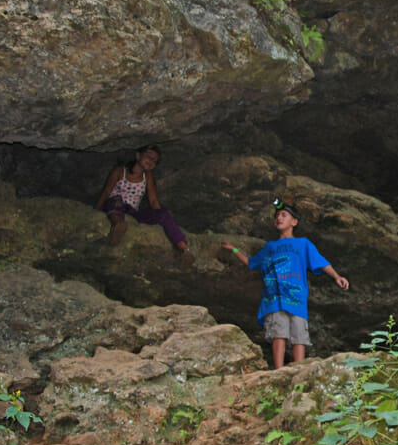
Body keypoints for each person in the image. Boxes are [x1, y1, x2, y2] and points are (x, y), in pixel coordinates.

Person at [222, 201, 349, 369]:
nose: (279, 218)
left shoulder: (303, 244)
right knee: (278, 333)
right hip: (274, 297)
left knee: (299, 335)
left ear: (294, 222)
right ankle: (279, 371)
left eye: (284, 215)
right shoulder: (270, 247)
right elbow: (251, 262)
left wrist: (336, 276)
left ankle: (299, 370)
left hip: (296, 296)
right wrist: (234, 249)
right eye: (277, 216)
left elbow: (320, 262)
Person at [95, 144, 195, 269]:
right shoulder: (120, 171)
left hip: (132, 212)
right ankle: (117, 226)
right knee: (116, 200)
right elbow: (106, 191)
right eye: (149, 157)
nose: (151, 161)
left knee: (163, 214)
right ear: (138, 155)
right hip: (114, 206)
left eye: (155, 161)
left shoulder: (147, 176)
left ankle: (184, 250)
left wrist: (159, 217)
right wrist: (96, 211)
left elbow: (153, 201)